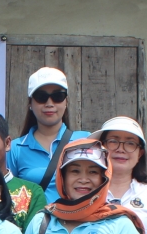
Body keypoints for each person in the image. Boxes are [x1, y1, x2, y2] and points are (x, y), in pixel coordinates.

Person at [7, 67, 90, 202]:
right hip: (35, 222)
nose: (49, 104)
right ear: (30, 103)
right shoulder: (15, 148)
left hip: (80, 222)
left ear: (66, 101)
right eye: (41, 97)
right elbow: (9, 195)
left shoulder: (86, 140)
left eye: (58, 96)